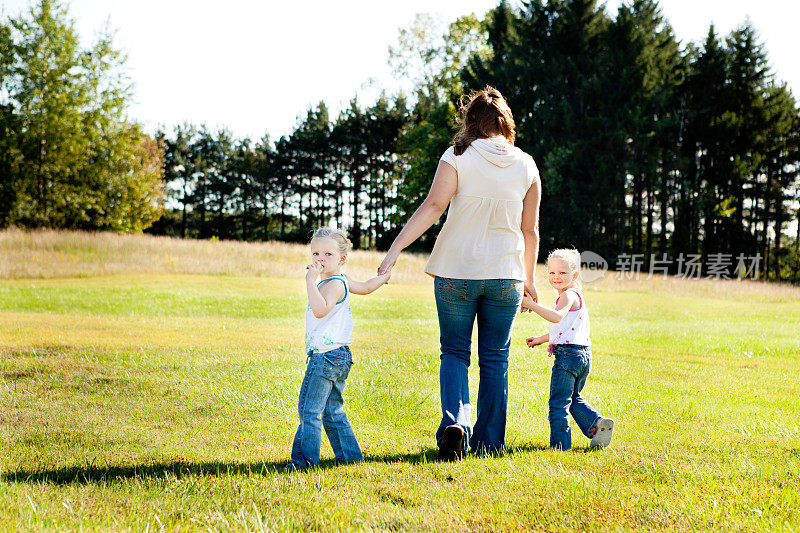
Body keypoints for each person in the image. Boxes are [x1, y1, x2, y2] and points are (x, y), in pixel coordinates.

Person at [378, 87, 542, 459]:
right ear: (506, 122)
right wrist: (529, 278)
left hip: (455, 272)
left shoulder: (457, 156)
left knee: (454, 352)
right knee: (496, 359)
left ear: (472, 122)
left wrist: (396, 247)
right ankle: (489, 443)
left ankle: (455, 423)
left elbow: (434, 205)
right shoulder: (527, 164)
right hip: (506, 275)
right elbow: (529, 229)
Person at [287, 227, 391, 469]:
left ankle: (303, 462)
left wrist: (309, 282)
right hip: (339, 356)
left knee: (309, 411)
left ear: (342, 259)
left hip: (325, 357)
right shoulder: (342, 280)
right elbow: (365, 287)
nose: (320, 259)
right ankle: (350, 457)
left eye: (328, 254)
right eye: (315, 254)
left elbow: (320, 309)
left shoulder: (332, 284)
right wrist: (383, 278)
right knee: (332, 410)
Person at [523, 249, 614, 450]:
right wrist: (541, 339)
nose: (556, 277)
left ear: (573, 275)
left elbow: (556, 317)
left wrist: (530, 304)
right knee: (572, 398)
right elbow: (565, 328)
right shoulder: (576, 296)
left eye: (562, 273)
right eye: (552, 273)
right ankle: (597, 424)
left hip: (568, 357)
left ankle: (560, 447)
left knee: (558, 403)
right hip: (583, 356)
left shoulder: (567, 296)